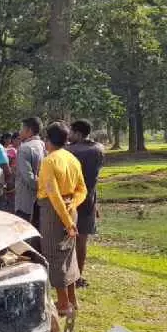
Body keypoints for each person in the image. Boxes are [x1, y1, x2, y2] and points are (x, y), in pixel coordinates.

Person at [36, 121, 87, 318]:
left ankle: (64, 304)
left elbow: (53, 194)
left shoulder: (49, 161)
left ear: (48, 140)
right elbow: (82, 189)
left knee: (54, 256)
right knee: (69, 255)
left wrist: (67, 221)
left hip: (54, 213)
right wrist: (73, 205)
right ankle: (72, 299)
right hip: (70, 209)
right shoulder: (72, 159)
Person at [67, 119, 105, 288]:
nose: (69, 135)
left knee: (69, 241)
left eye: (71, 132)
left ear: (78, 133)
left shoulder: (69, 151)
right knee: (82, 241)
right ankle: (78, 277)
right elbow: (94, 180)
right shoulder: (99, 149)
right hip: (89, 200)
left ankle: (69, 276)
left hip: (70, 201)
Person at [15, 117, 46, 227]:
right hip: (41, 199)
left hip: (25, 200)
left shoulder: (24, 148)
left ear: (29, 131)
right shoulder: (43, 145)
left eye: (21, 129)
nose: (20, 132)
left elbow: (29, 178)